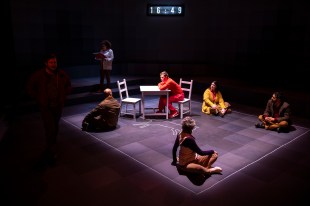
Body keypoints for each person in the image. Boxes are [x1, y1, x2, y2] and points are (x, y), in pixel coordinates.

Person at [27, 53, 72, 164]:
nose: (53, 64)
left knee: (55, 126)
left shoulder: (61, 74)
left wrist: (63, 95)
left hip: (57, 106)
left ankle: (52, 144)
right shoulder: (39, 75)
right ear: (46, 63)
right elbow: (29, 87)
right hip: (46, 107)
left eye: (55, 62)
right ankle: (51, 150)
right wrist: (39, 98)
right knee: (50, 127)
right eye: (51, 62)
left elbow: (68, 85)